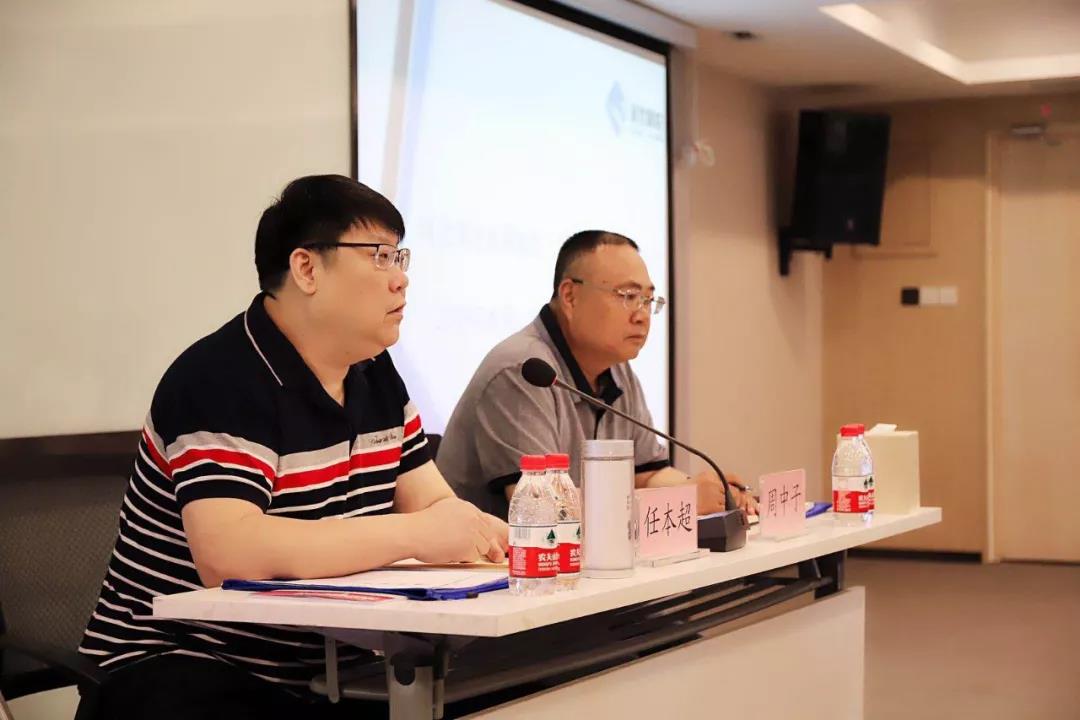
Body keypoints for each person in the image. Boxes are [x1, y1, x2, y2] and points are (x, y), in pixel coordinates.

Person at [80, 175, 508, 720]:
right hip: (185, 662)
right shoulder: (220, 377)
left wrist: (488, 534)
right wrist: (417, 534)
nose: (400, 279)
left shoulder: (374, 372)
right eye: (379, 256)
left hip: (325, 664)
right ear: (306, 268)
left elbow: (433, 504)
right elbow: (229, 553)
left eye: (400, 257)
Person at [437, 230, 757, 519]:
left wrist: (709, 492)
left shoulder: (617, 370)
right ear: (570, 297)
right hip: (487, 562)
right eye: (628, 296)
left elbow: (647, 474)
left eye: (648, 300)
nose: (643, 316)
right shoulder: (523, 371)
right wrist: (682, 500)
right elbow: (544, 509)